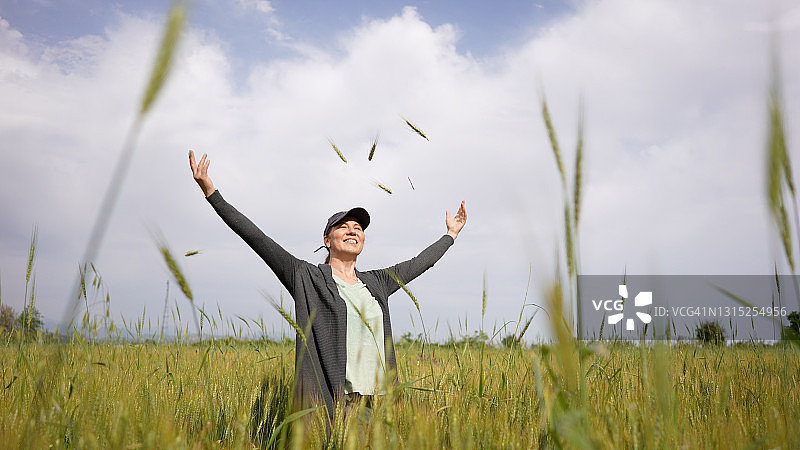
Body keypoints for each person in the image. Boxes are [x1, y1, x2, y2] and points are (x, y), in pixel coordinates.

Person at [188, 150, 466, 422]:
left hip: (380, 404)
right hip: (335, 404)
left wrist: (450, 234)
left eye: (358, 227)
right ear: (327, 240)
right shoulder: (306, 277)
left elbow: (420, 263)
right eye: (343, 227)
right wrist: (213, 194)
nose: (352, 230)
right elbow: (256, 238)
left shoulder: (378, 283)